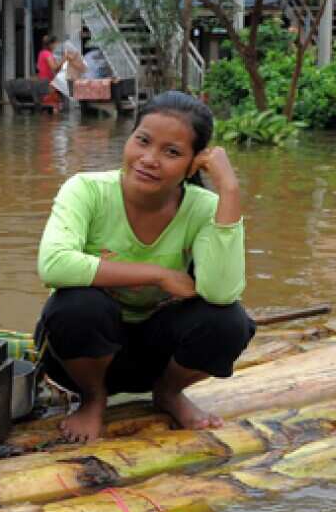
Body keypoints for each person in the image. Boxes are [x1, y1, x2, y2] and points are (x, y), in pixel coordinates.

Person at [35, 91, 256, 442]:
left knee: (229, 321)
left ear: (193, 163)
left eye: (172, 152)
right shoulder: (86, 190)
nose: (149, 159)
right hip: (78, 358)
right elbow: (54, 265)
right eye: (143, 141)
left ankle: (168, 393)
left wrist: (229, 190)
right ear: (129, 138)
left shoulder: (203, 208)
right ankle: (94, 399)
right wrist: (160, 275)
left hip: (155, 358)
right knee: (77, 305)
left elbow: (221, 291)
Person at [36, 35, 62, 110]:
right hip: (47, 83)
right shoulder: (47, 54)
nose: (56, 46)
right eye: (55, 44)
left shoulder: (42, 53)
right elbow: (54, 68)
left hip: (43, 82)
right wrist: (64, 59)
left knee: (47, 104)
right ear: (51, 44)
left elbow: (55, 68)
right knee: (54, 105)